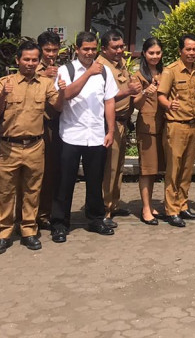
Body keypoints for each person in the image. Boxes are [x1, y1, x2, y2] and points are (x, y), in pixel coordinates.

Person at [0, 40, 62, 254]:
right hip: (9, 146)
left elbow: (57, 107)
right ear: (17, 60)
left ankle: (29, 229)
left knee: (32, 190)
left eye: (34, 60)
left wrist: (64, 92)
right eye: (26, 59)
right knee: (5, 191)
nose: (30, 63)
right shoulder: (5, 82)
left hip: (35, 145)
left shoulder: (45, 83)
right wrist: (4, 94)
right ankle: (3, 232)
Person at [51, 31, 118, 242]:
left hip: (96, 135)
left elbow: (109, 101)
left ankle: (96, 219)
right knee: (64, 182)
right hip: (71, 134)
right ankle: (60, 223)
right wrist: (88, 73)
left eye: (92, 49)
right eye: (85, 49)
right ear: (77, 49)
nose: (89, 53)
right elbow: (66, 95)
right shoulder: (66, 70)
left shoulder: (105, 72)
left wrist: (110, 130)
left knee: (95, 181)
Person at [157, 34, 195, 227]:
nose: (192, 53)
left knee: (186, 169)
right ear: (180, 51)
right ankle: (171, 210)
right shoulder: (171, 71)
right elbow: (161, 95)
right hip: (176, 125)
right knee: (173, 170)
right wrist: (169, 104)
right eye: (188, 49)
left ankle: (183, 205)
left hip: (192, 125)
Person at [99, 29, 142, 226]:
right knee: (109, 167)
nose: (119, 50)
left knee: (118, 167)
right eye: (114, 47)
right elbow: (101, 97)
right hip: (109, 122)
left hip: (123, 122)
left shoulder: (121, 63)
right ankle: (104, 209)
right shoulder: (100, 67)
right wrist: (128, 92)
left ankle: (114, 203)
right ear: (104, 49)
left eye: (121, 46)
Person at [131, 37, 167, 225]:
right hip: (147, 127)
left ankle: (152, 204)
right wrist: (146, 92)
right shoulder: (138, 76)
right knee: (147, 169)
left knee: (156, 169)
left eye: (158, 53)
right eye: (151, 53)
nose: (155, 56)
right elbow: (135, 103)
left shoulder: (165, 73)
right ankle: (145, 208)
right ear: (144, 54)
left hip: (165, 125)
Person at [35, 30, 63, 230]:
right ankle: (29, 215)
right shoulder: (33, 68)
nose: (51, 54)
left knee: (52, 171)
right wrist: (43, 76)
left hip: (56, 124)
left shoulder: (61, 69)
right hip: (37, 124)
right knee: (36, 173)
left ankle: (45, 213)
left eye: (54, 50)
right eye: (47, 50)